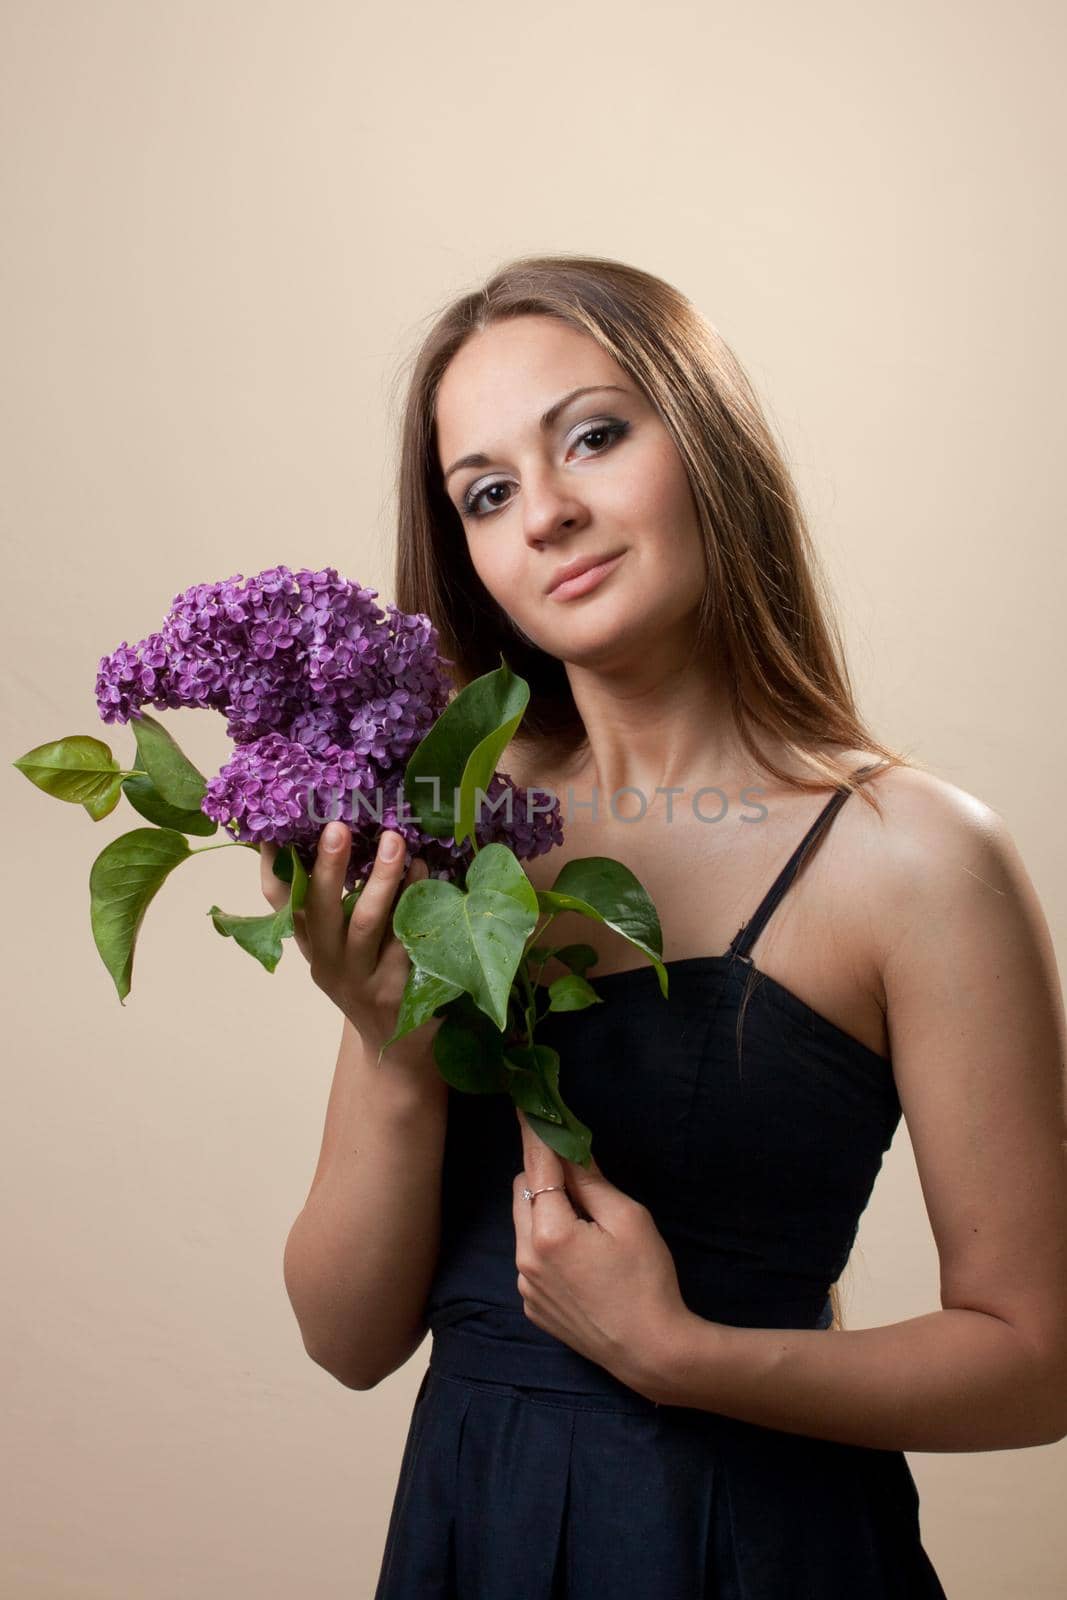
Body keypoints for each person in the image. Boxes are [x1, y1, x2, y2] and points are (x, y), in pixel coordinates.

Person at [272, 255, 1067, 1597]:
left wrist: (679, 1354)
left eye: (592, 435)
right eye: (488, 491)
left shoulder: (917, 859)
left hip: (760, 1549)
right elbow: (345, 1337)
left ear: (702, 435)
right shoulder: (449, 828)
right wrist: (392, 1042)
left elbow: (1037, 1358)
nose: (549, 514)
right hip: (475, 1534)